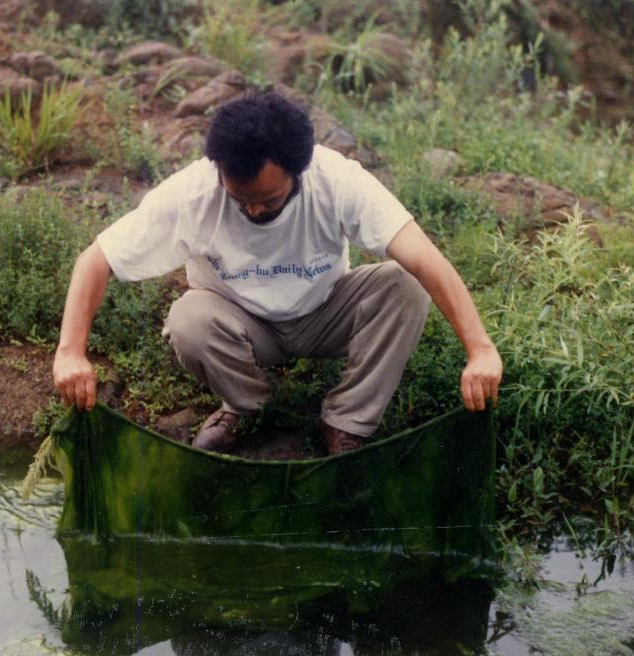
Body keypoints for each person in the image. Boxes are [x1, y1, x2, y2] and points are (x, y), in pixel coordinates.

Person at [53, 91, 502, 455]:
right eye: (240, 198)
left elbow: (427, 259)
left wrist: (480, 350)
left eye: (268, 200)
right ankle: (247, 408)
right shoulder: (193, 192)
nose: (252, 209)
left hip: (324, 312)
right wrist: (70, 351)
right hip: (240, 324)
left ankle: (346, 422)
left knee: (405, 284)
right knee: (188, 319)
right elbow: (96, 260)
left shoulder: (339, 181)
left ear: (299, 171)